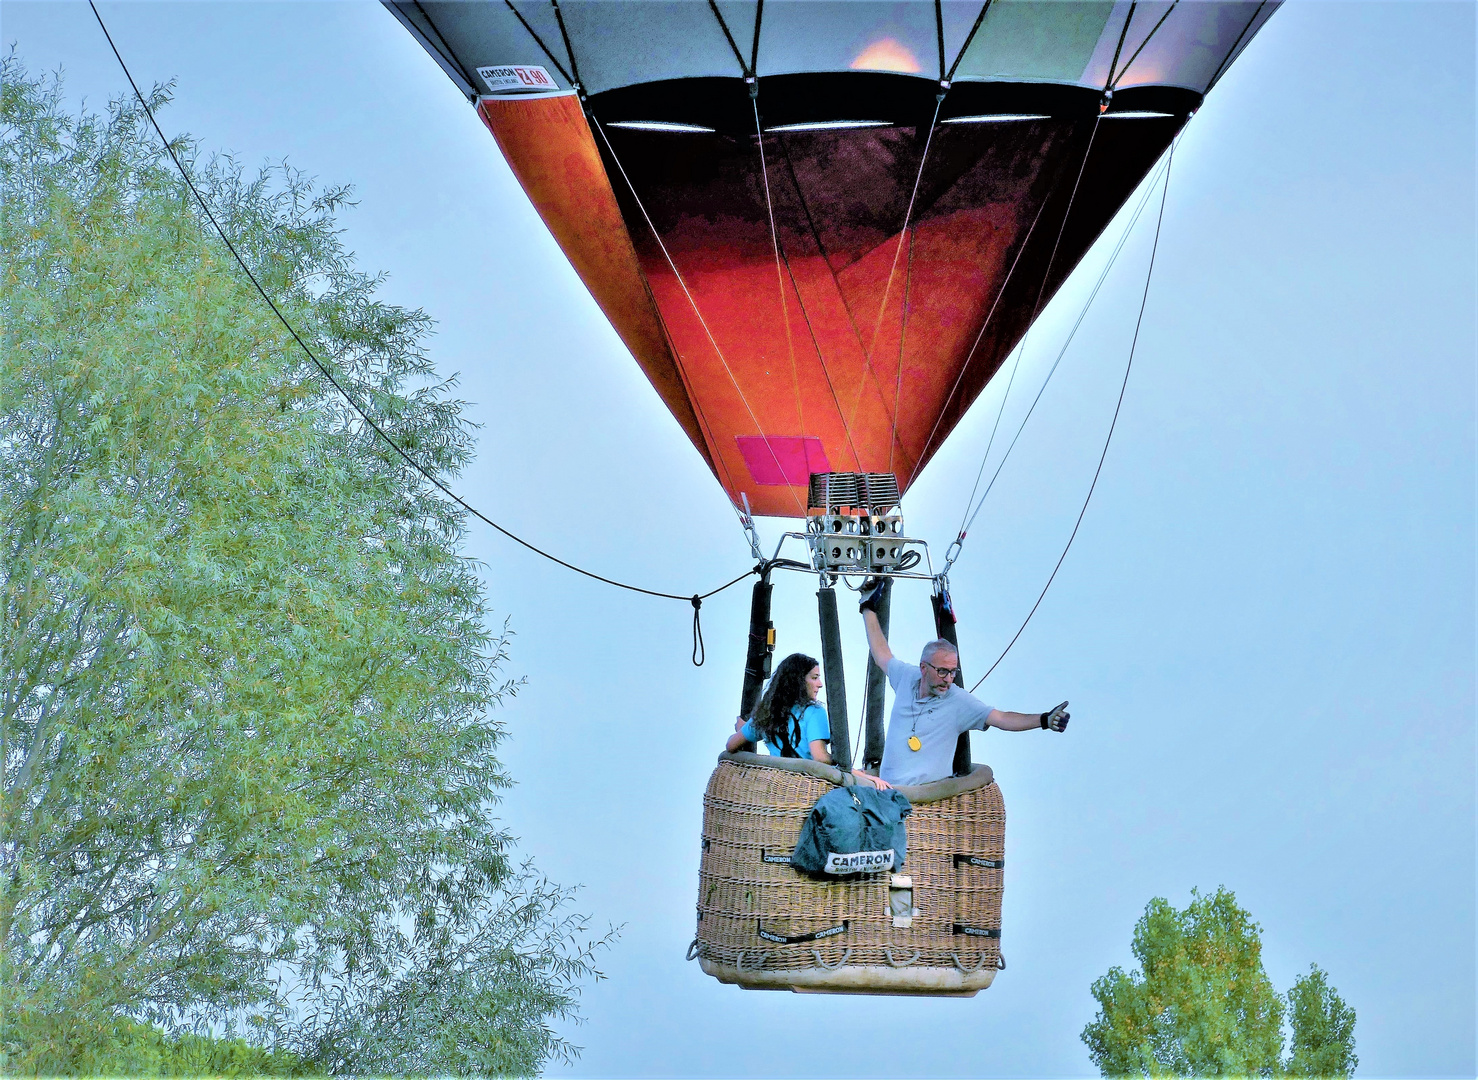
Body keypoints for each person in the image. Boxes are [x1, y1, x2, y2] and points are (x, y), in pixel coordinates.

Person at [859, 580, 1070, 787]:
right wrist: (867, 606)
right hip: (884, 792)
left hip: (919, 800)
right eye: (942, 671)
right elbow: (881, 654)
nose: (948, 679)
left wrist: (1043, 720)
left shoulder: (957, 700)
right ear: (924, 668)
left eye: (952, 672)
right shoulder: (907, 677)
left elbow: (1002, 718)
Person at [726, 652, 891, 789]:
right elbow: (819, 757)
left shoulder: (766, 713)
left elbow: (731, 745)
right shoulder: (814, 712)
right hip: (807, 789)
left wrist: (744, 730)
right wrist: (850, 767)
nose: (820, 684)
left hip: (776, 787)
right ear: (798, 680)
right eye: (814, 677)